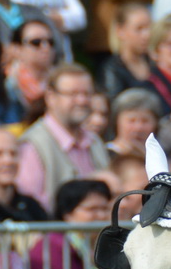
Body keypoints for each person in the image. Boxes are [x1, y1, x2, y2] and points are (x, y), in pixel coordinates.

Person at [19, 63, 108, 210]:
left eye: (87, 94)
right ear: (50, 97)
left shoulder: (95, 141)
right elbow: (32, 207)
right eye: (73, 94)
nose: (82, 101)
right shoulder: (32, 145)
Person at [100, 1, 155, 100]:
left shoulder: (155, 62)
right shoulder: (112, 69)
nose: (147, 35)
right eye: (139, 29)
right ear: (120, 31)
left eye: (149, 28)